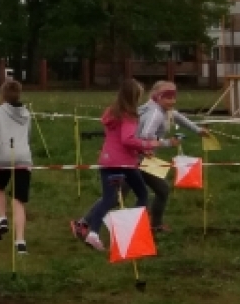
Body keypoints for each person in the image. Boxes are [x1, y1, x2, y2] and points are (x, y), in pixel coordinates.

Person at [72, 80, 175, 252]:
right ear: (134, 97)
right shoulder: (129, 115)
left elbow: (114, 136)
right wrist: (148, 145)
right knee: (142, 194)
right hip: (124, 163)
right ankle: (131, 230)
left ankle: (93, 233)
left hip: (107, 160)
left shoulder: (112, 112)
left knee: (108, 199)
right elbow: (127, 140)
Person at [138, 80, 209, 233]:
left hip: (144, 158)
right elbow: (145, 137)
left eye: (173, 96)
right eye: (168, 97)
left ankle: (154, 225)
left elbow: (179, 118)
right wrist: (168, 143)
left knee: (161, 190)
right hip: (135, 159)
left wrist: (198, 130)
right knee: (115, 197)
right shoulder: (155, 113)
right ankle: (86, 223)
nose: (172, 101)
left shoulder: (164, 110)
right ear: (157, 97)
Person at [0, 78, 32, 256]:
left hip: (3, 157)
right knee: (18, 200)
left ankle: (2, 218)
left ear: (2, 94)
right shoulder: (26, 113)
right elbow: (28, 135)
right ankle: (20, 242)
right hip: (23, 157)